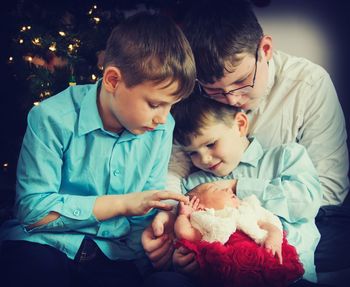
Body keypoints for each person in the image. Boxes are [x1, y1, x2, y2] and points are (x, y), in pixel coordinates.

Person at [141, 0, 349, 284]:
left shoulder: (309, 84)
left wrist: (239, 196)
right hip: (216, 221)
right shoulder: (196, 90)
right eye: (214, 90)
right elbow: (176, 167)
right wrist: (170, 220)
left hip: (300, 215)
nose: (231, 99)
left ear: (264, 50)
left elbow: (328, 190)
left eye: (241, 83)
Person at [0, 12, 196, 287]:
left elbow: (148, 208)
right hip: (42, 245)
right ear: (113, 81)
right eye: (154, 104)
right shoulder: (51, 118)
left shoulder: (161, 129)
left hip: (113, 256)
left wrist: (155, 241)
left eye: (170, 105)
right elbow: (32, 212)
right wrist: (122, 204)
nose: (163, 118)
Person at [175, 182, 305, 287]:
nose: (227, 189)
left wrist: (274, 236)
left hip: (268, 266)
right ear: (200, 207)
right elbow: (184, 233)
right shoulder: (206, 221)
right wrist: (183, 215)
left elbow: (266, 225)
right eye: (215, 189)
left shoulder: (246, 212)